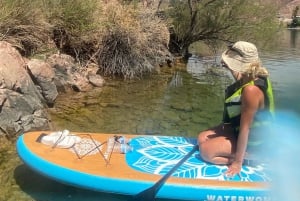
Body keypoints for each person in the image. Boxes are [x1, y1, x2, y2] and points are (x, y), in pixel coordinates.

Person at [197, 41, 275, 177]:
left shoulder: (251, 90)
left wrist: (237, 163)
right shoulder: (249, 76)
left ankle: (250, 158)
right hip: (238, 133)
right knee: (201, 138)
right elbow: (238, 76)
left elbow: (246, 128)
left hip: (254, 143)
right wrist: (228, 64)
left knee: (205, 151)